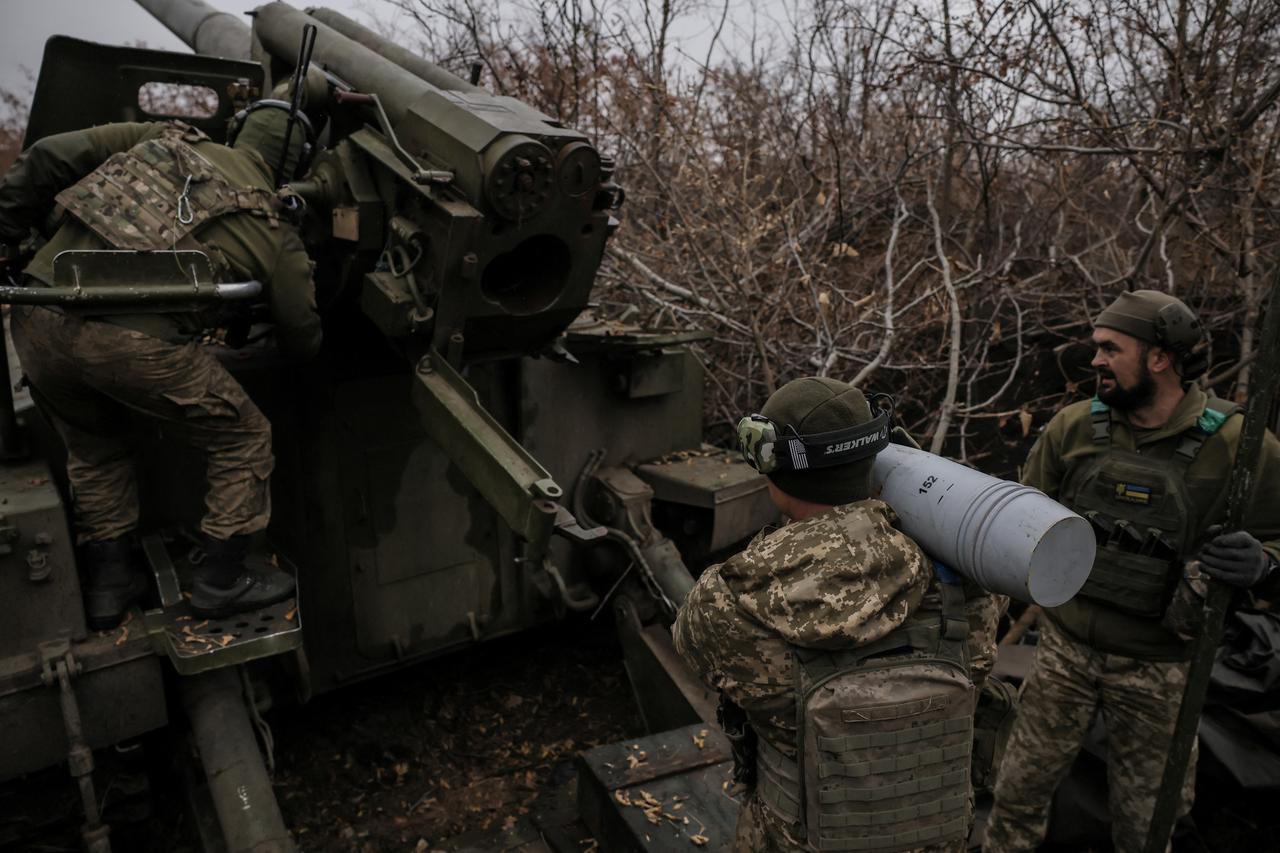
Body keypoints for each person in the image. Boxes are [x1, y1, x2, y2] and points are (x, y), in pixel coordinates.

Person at [0, 103, 322, 628]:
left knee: (94, 447)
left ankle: (110, 584)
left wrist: (6, 231)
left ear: (239, 129)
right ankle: (222, 579)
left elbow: (48, 155)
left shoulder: (161, 136)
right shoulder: (271, 223)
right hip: (131, 347)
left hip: (37, 316)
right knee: (243, 437)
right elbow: (303, 339)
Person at [983, 290, 1280, 852]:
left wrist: (1263, 562)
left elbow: (1274, 539)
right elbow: (1014, 518)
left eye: (1109, 348)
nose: (1094, 360)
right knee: (1016, 795)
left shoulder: (1239, 447)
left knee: (1149, 824)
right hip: (1064, 652)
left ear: (1160, 358)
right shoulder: (1072, 429)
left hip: (1161, 668)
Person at [673, 376, 975, 853]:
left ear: (769, 463)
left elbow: (696, 654)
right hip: (931, 835)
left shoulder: (726, 600)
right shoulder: (961, 581)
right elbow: (978, 662)